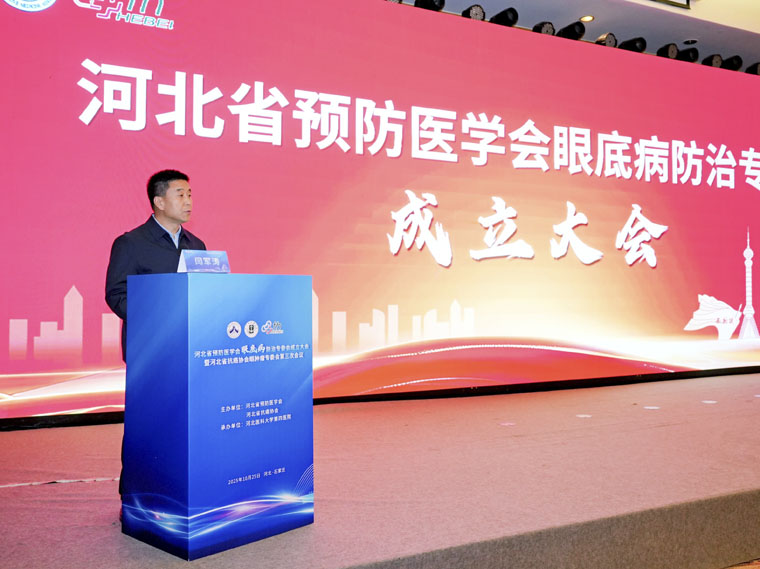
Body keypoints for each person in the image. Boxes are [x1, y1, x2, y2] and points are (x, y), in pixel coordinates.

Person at [105, 169, 206, 361]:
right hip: (148, 348)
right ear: (159, 202)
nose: (188, 202)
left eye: (189, 195)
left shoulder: (196, 245)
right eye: (180, 195)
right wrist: (155, 318)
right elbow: (117, 294)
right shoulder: (131, 243)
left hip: (190, 345)